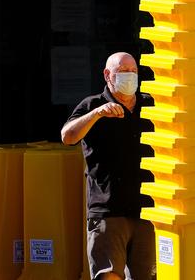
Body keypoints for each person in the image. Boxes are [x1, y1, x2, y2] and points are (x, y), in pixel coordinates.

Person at [61, 52, 156, 280]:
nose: (130, 76)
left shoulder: (150, 104)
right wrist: (96, 114)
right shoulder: (92, 105)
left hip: (148, 209)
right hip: (108, 210)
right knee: (109, 275)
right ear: (107, 75)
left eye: (133, 71)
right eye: (123, 72)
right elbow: (68, 136)